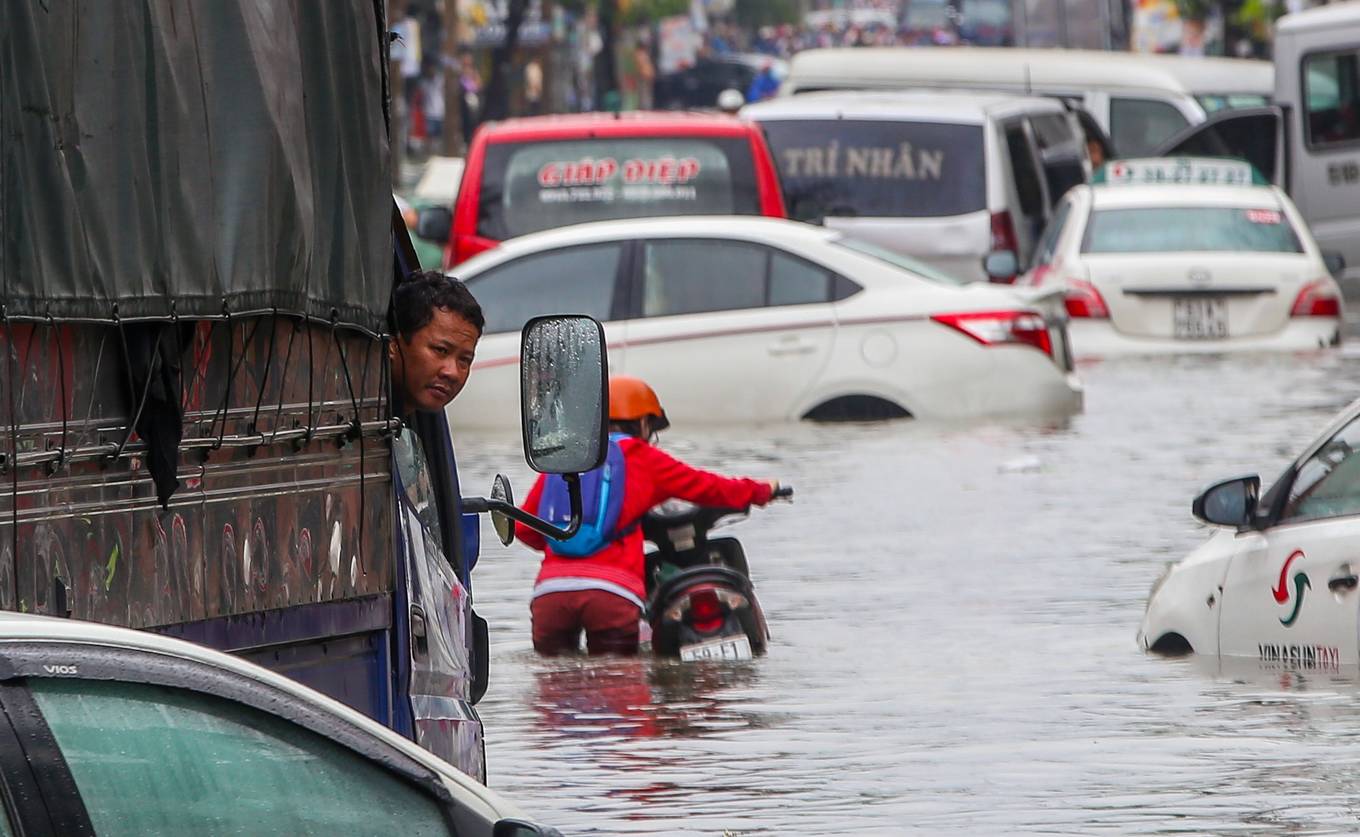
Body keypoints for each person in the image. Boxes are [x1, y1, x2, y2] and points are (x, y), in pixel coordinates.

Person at [515, 376, 779, 656]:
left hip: (551, 593)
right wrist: (762, 490)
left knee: (554, 684)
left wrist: (571, 546)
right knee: (618, 683)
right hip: (612, 592)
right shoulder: (642, 457)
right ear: (642, 423)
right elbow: (708, 487)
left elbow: (523, 527)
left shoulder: (565, 458)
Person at [389, 270, 483, 416]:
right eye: (441, 350)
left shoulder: (425, 427)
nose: (452, 373)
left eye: (464, 360)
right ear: (393, 345)